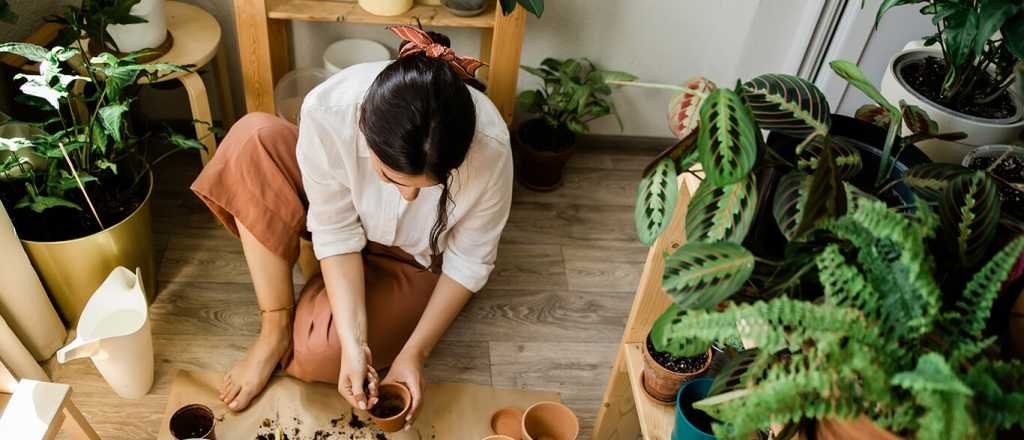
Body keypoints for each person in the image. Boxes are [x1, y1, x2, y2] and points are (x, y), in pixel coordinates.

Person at [190, 25, 513, 430]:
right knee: (250, 139)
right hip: (345, 224)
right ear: (364, 132)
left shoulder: (491, 149)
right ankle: (274, 326)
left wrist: (414, 354)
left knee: (317, 353)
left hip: (412, 259)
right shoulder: (332, 108)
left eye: (427, 188)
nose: (408, 198)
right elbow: (336, 228)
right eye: (391, 178)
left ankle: (320, 295)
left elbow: (468, 261)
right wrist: (354, 341)